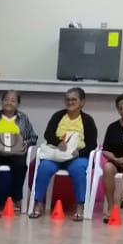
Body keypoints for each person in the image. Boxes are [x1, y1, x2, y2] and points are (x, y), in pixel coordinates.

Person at [31, 87, 98, 220]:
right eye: (67, 99)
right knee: (44, 167)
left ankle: (80, 205)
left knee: (78, 169)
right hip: (56, 154)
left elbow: (92, 144)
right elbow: (48, 134)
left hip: (76, 156)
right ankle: (38, 203)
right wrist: (58, 142)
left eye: (74, 99)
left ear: (82, 102)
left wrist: (79, 152)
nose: (70, 102)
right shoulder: (58, 116)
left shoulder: (87, 120)